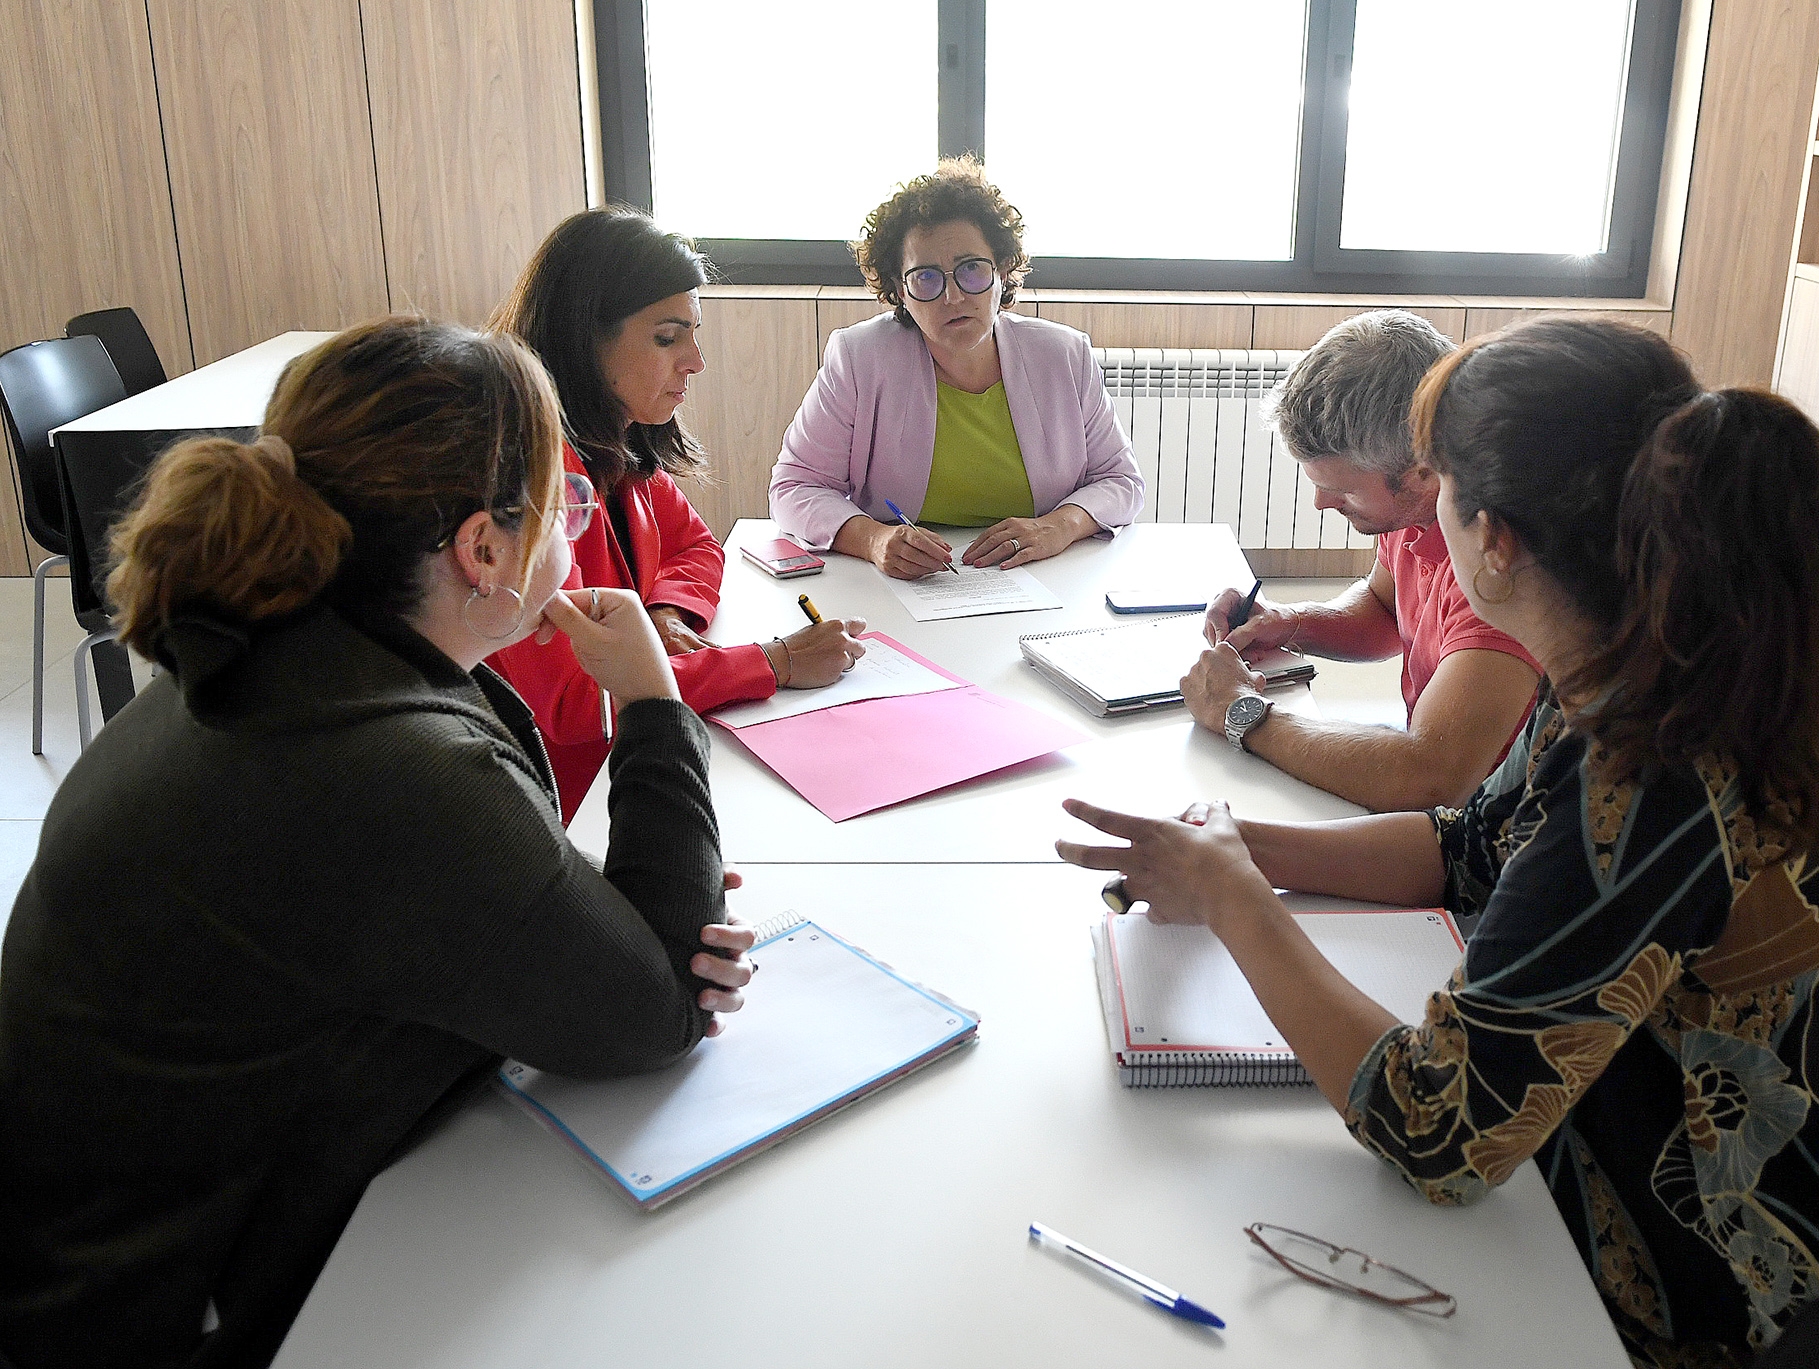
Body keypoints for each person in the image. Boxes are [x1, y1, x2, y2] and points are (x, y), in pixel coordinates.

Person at [1057, 318, 1819, 1365]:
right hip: (1699, 1186)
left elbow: (1437, 1132)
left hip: (1736, 1307)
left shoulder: (1652, 776)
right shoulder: (1649, 668)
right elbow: (1468, 847)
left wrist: (1236, 904)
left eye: (1440, 492)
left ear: (1497, 539)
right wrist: (1240, 847)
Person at [0, 319, 757, 1368]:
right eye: (563, 504)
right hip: (157, 1322)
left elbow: (475, 888)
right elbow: (656, 1014)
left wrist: (607, 921)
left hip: (116, 1238)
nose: (573, 532)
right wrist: (650, 702)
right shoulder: (387, 765)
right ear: (481, 550)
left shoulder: (279, 645)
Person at [489, 207, 867, 822]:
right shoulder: (528, 474)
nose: (695, 360)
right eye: (667, 337)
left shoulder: (618, 439)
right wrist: (773, 662)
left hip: (633, 764)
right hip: (567, 805)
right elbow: (580, 702)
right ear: (584, 338)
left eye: (692, 334)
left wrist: (663, 612)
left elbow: (696, 546)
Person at [1183, 311, 1540, 812]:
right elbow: (1383, 610)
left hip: (1495, 827)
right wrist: (1287, 623)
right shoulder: (1419, 509)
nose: (1321, 505)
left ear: (1420, 473)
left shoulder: (1500, 566)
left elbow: (1431, 780)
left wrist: (1242, 714)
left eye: (1342, 490)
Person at [769, 157, 1144, 578]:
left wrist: (1060, 526)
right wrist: (873, 539)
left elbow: (1121, 481)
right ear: (899, 290)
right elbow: (794, 487)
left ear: (1002, 270)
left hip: (1047, 579)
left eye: (971, 270)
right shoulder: (860, 358)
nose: (952, 297)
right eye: (926, 277)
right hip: (907, 587)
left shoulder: (1064, 355)